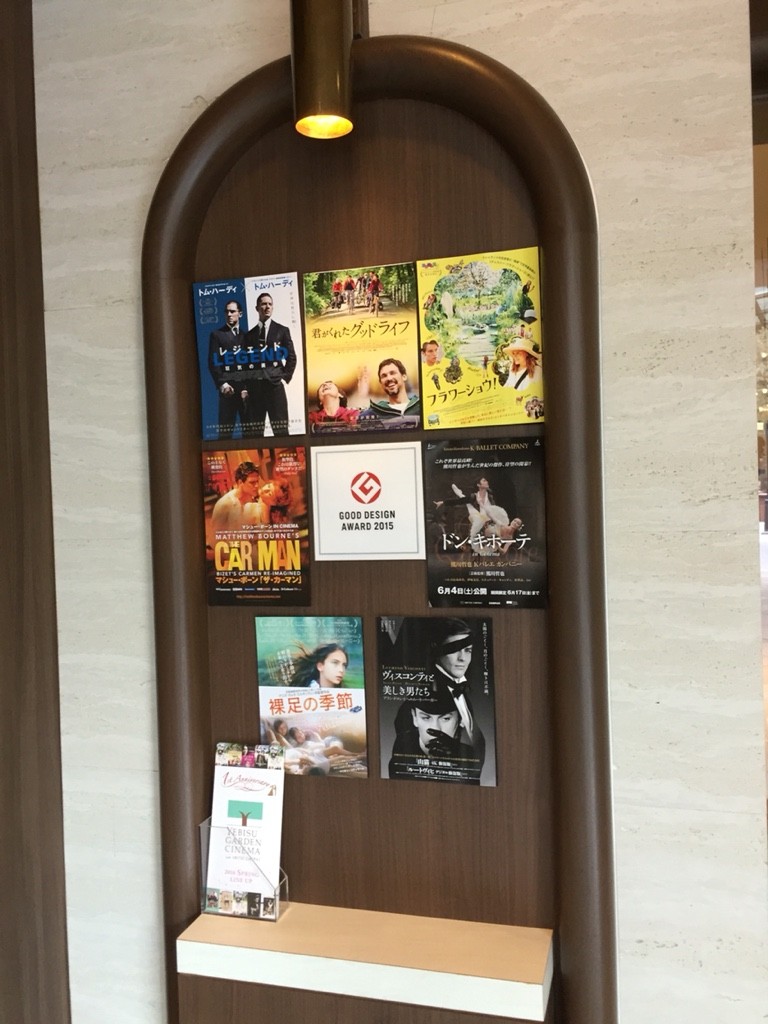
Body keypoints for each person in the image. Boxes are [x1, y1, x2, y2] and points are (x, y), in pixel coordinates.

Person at [388, 682, 481, 784]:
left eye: (446, 718)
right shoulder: (401, 755)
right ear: (415, 718)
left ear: (461, 720)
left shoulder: (471, 757)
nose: (436, 728)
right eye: (425, 718)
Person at [239, 292, 297, 435]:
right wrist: (245, 387)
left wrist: (283, 377)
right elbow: (244, 363)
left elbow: (291, 357)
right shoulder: (249, 336)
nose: (267, 307)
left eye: (270, 304)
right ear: (257, 308)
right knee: (255, 433)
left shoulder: (282, 330)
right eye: (264, 304)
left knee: (281, 430)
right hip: (255, 390)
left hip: (275, 388)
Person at [207, 300, 247, 439]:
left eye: (232, 311)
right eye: (227, 312)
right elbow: (213, 362)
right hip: (227, 392)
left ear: (240, 314)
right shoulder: (217, 335)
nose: (229, 314)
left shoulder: (246, 336)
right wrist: (223, 385)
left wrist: (247, 388)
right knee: (225, 434)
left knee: (251, 434)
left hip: (245, 393)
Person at [211, 461, 266, 529]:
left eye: (257, 481)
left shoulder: (255, 499)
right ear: (240, 482)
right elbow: (216, 532)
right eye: (252, 482)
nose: (257, 485)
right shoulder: (224, 504)